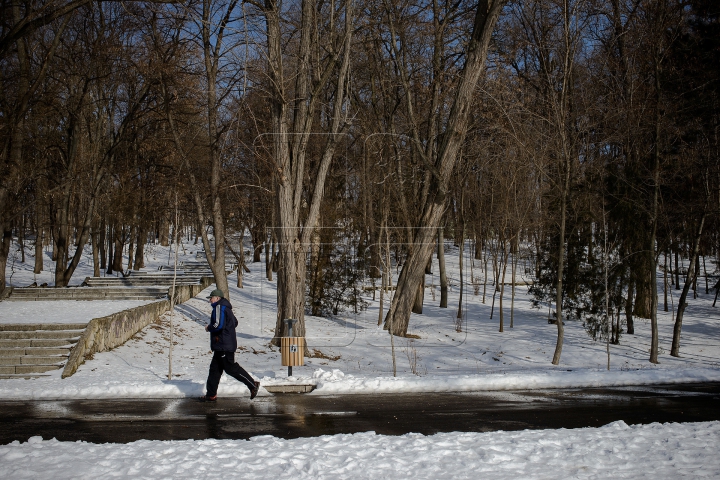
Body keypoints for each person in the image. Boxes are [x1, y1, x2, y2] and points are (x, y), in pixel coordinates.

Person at [199, 288, 260, 402]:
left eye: (211, 298)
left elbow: (218, 325)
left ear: (217, 298)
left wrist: (209, 328)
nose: (210, 301)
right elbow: (235, 322)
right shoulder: (227, 308)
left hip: (223, 345)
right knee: (214, 370)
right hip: (222, 344)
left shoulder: (219, 307)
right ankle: (211, 394)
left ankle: (253, 384)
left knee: (231, 368)